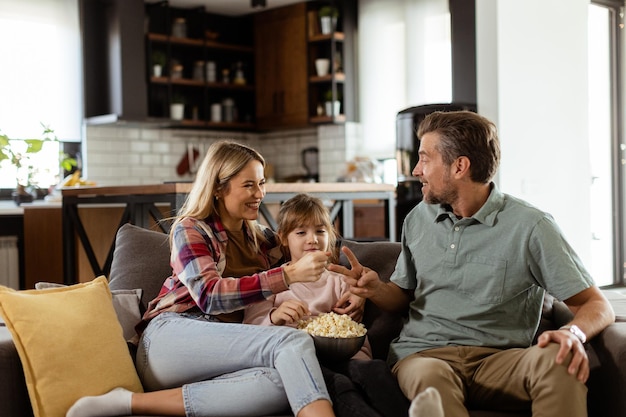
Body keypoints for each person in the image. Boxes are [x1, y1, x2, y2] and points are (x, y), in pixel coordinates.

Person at [330, 110, 616, 417]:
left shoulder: (531, 226)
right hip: (425, 357)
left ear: (459, 166)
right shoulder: (418, 219)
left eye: (425, 159)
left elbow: (597, 305)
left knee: (558, 362)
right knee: (432, 384)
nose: (416, 170)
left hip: (502, 360)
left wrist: (572, 334)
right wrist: (374, 288)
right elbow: (401, 298)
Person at [67, 141, 337, 417]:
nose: (260, 193)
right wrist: (287, 275)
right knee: (291, 342)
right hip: (169, 339)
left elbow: (308, 245)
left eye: (262, 183)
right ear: (219, 188)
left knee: (283, 382)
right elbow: (209, 295)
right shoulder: (191, 229)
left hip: (223, 350)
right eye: (249, 185)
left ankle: (127, 402)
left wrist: (356, 287)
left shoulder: (263, 240)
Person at [243, 193, 410, 417]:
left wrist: (360, 356)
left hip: (344, 357)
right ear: (283, 238)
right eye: (301, 232)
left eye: (320, 231)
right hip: (302, 364)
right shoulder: (271, 282)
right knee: (340, 386)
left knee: (376, 370)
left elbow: (354, 330)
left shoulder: (340, 280)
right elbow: (249, 329)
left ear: (330, 234)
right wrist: (275, 316)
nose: (312, 239)